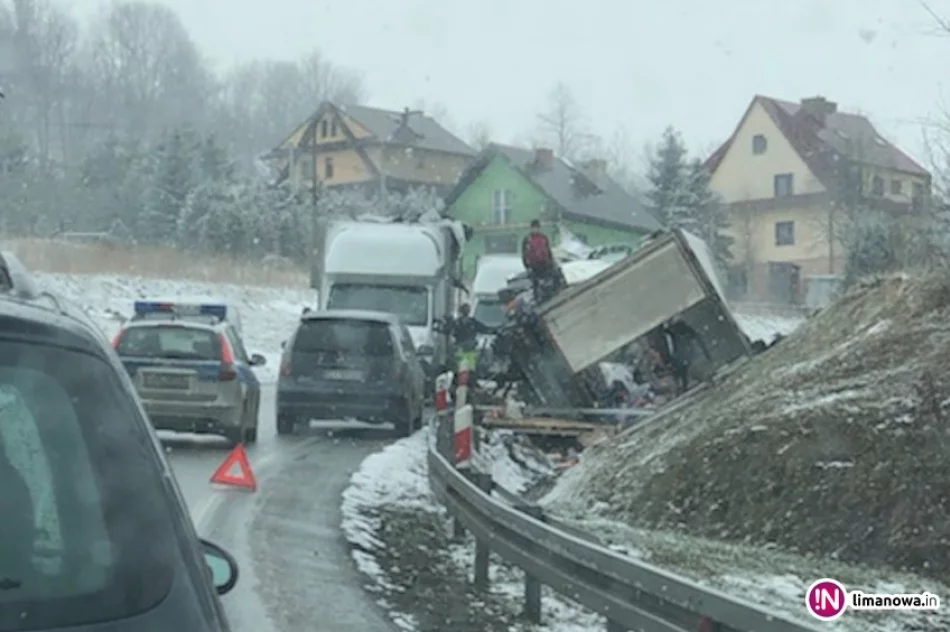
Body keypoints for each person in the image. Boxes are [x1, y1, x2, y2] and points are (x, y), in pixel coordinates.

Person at [659, 317, 712, 395]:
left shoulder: (680, 327)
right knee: (685, 374)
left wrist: (706, 353)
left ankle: (687, 388)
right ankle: (685, 389)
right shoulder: (666, 332)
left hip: (685, 356)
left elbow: (696, 337)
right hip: (679, 358)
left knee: (689, 372)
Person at [447, 303, 493, 369]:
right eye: (464, 310)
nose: (466, 312)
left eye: (467, 310)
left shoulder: (472, 322)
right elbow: (449, 331)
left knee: (469, 367)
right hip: (461, 348)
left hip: (470, 348)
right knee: (462, 367)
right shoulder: (457, 323)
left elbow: (484, 328)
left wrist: (492, 330)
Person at [521, 219, 555, 302]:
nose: (535, 230)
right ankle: (538, 298)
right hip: (534, 265)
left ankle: (547, 297)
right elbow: (524, 254)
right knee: (536, 284)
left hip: (544, 264)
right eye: (534, 228)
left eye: (536, 228)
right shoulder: (527, 239)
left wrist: (551, 262)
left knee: (546, 283)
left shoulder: (543, 238)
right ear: (531, 228)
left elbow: (548, 250)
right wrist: (527, 266)